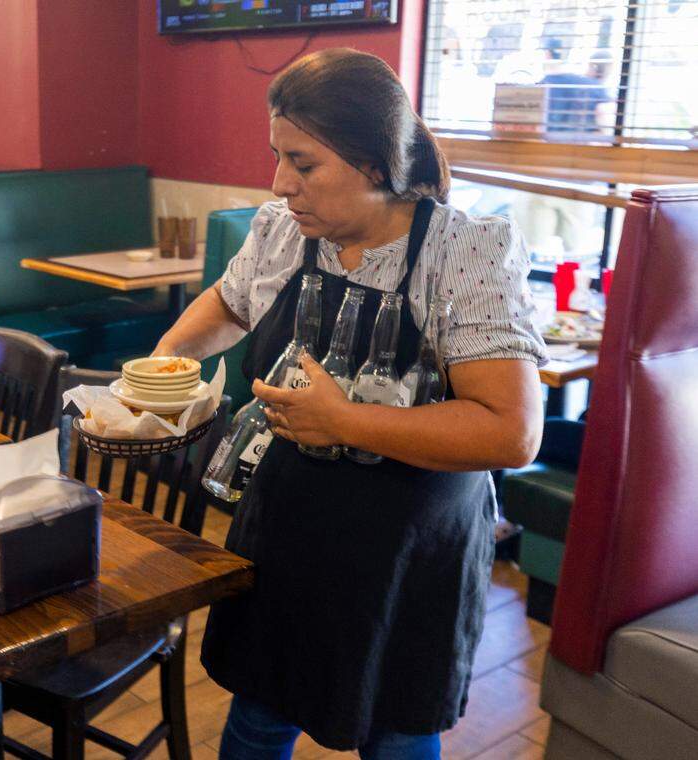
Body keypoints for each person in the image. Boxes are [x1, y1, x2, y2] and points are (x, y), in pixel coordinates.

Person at [154, 49, 547, 759]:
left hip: (405, 552)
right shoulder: (282, 229)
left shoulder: (463, 252)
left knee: (395, 733)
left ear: (374, 164)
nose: (280, 184)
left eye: (303, 165)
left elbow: (512, 433)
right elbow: (230, 300)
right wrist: (165, 363)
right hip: (290, 531)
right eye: (278, 157)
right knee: (258, 718)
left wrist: (346, 422)